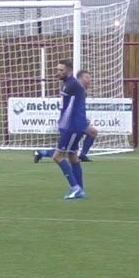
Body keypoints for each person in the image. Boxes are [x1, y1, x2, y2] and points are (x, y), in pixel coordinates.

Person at [33, 70, 99, 162]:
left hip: (77, 120)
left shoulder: (81, 89)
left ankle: (83, 155)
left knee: (92, 132)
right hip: (70, 122)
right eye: (87, 77)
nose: (90, 79)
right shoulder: (74, 88)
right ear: (80, 78)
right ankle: (40, 152)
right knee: (66, 150)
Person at [51, 59, 87, 200]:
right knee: (72, 156)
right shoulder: (70, 83)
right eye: (58, 69)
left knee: (57, 156)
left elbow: (68, 108)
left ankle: (75, 187)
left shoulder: (70, 85)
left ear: (69, 71)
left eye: (61, 70)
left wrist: (63, 125)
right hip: (76, 125)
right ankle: (80, 189)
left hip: (71, 126)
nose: (58, 72)